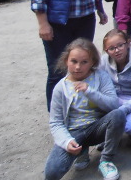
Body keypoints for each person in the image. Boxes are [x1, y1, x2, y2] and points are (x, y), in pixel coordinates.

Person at [44, 38, 124, 180]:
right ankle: (82, 151)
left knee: (118, 115)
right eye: (74, 61)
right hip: (74, 132)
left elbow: (113, 105)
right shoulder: (60, 88)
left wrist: (90, 91)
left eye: (84, 62)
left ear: (92, 62)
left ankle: (106, 160)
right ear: (66, 61)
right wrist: (66, 141)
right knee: (52, 173)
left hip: (96, 127)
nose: (78, 67)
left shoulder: (101, 77)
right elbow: (56, 122)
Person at [99, 29, 131, 138]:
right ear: (106, 51)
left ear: (128, 43)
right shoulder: (103, 61)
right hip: (111, 98)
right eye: (111, 48)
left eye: (120, 45)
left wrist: (125, 108)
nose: (117, 50)